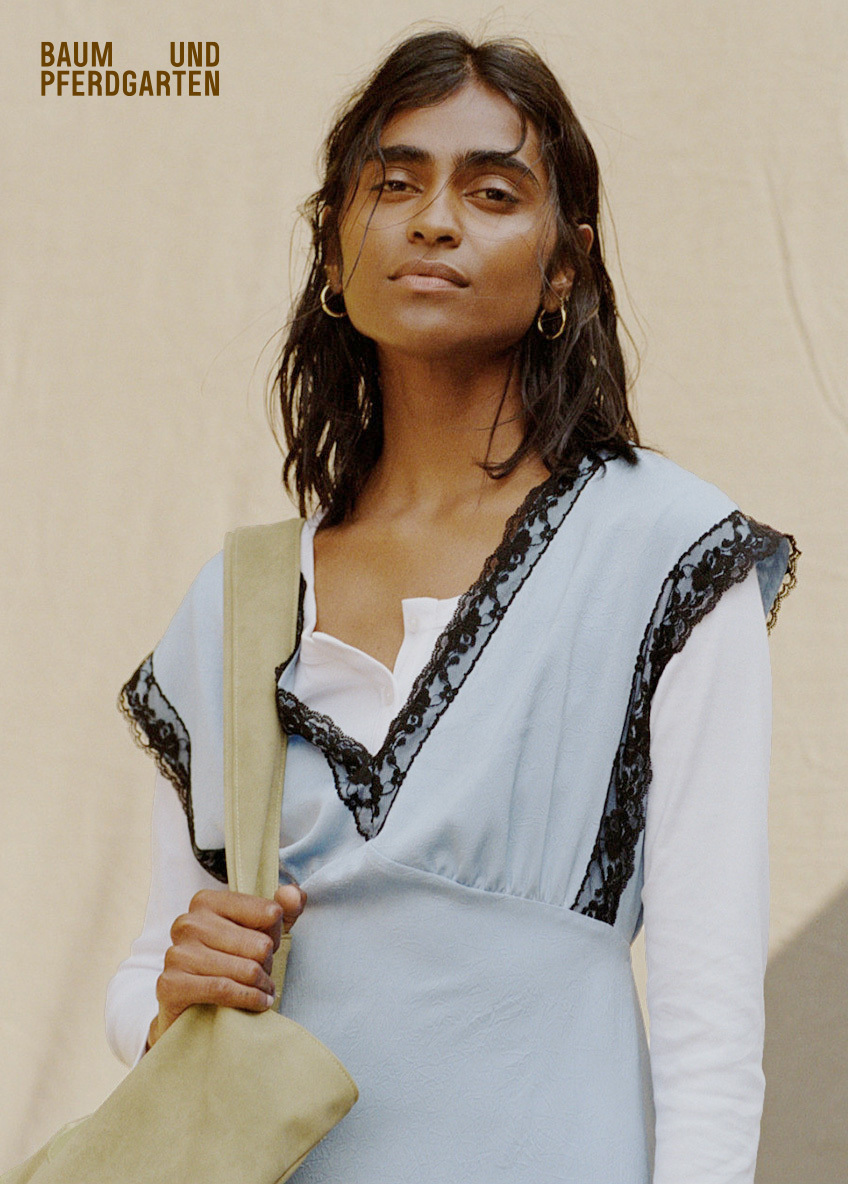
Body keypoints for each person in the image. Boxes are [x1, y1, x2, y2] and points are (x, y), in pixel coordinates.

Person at [107, 29, 798, 1184]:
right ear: (334, 247)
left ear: (564, 265)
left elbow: (707, 1021)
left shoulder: (665, 552)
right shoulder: (242, 599)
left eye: (491, 191)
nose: (433, 221)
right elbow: (148, 980)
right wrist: (172, 994)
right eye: (393, 184)